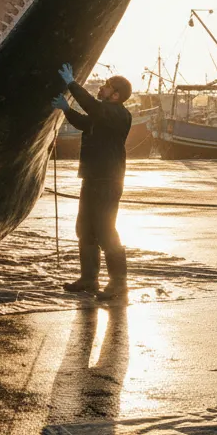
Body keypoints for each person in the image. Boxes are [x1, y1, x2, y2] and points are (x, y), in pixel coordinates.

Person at [51, 64, 133, 302]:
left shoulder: (118, 114)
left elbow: (92, 108)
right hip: (91, 177)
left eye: (107, 86)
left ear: (116, 95)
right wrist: (67, 110)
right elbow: (85, 122)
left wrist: (71, 83)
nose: (102, 88)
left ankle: (119, 282)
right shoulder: (103, 114)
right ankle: (89, 278)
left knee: (106, 230)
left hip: (108, 180)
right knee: (85, 228)